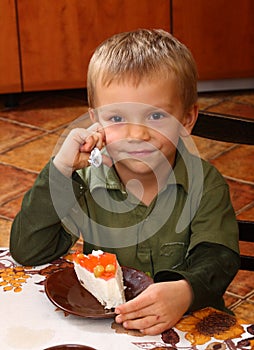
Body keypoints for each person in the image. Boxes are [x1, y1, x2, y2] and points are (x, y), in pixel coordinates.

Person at [10, 29, 240, 335]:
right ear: (97, 122)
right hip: (107, 327)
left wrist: (185, 291)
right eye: (117, 119)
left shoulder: (206, 184)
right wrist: (62, 169)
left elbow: (219, 257)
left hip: (188, 324)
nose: (137, 135)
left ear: (186, 119)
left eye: (156, 117)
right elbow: (28, 251)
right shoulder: (84, 179)